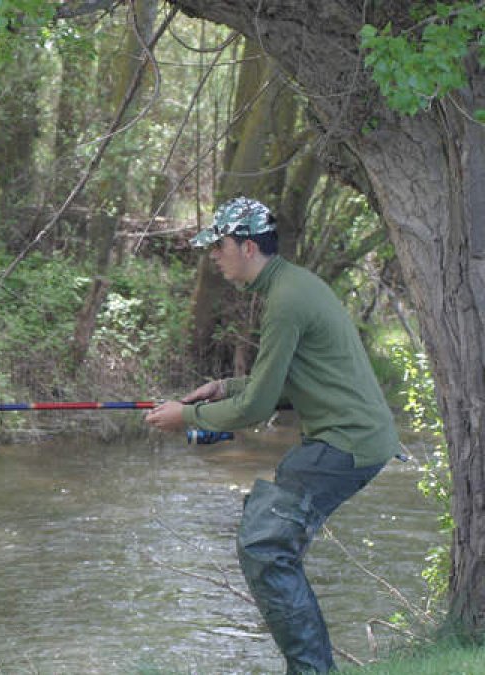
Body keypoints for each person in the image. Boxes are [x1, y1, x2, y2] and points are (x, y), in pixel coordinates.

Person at [144, 197, 400, 674]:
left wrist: (189, 417)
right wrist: (224, 388)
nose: (214, 256)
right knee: (267, 540)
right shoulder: (291, 286)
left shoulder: (285, 300)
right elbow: (282, 382)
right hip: (354, 439)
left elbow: (258, 407)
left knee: (264, 546)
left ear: (247, 247)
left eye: (219, 246)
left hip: (348, 442)